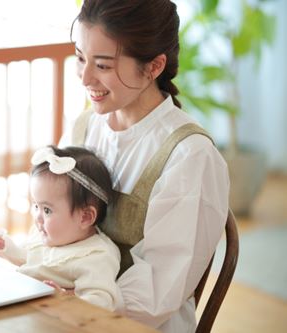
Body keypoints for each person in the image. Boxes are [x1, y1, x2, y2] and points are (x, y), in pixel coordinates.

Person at [58, 0, 230, 332]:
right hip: (69, 313)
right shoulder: (84, 129)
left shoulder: (189, 156)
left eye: (104, 66)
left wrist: (80, 303)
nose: (85, 77)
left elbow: (157, 291)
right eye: (81, 58)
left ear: (153, 67)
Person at [0, 145, 121, 311]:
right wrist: (7, 248)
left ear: (85, 217)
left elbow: (102, 301)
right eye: (36, 206)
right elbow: (28, 258)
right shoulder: (47, 234)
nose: (38, 216)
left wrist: (65, 300)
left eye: (47, 210)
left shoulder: (96, 255)